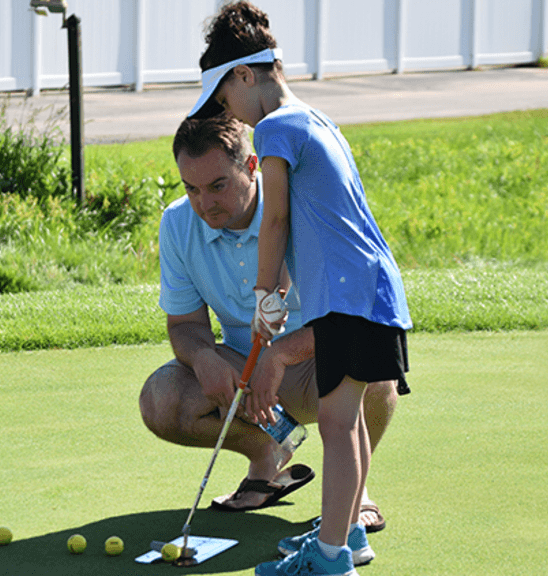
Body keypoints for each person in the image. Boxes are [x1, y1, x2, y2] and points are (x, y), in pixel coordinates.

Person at [186, 3, 412, 576]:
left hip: (347, 295)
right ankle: (349, 534)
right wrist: (280, 295)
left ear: (244, 75)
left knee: (337, 426)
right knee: (350, 421)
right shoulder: (317, 119)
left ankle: (331, 558)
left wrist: (265, 301)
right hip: (373, 288)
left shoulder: (275, 127)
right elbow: (317, 223)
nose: (226, 114)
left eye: (223, 100)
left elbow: (277, 221)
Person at [138, 114, 401, 539]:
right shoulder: (178, 223)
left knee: (375, 372)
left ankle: (355, 489)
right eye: (191, 189)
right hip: (244, 375)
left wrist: (282, 354)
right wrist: (203, 357)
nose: (204, 203)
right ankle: (268, 455)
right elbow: (185, 324)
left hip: (319, 364)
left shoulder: (306, 210)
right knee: (160, 398)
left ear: (252, 167)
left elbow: (355, 316)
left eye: (217, 186)